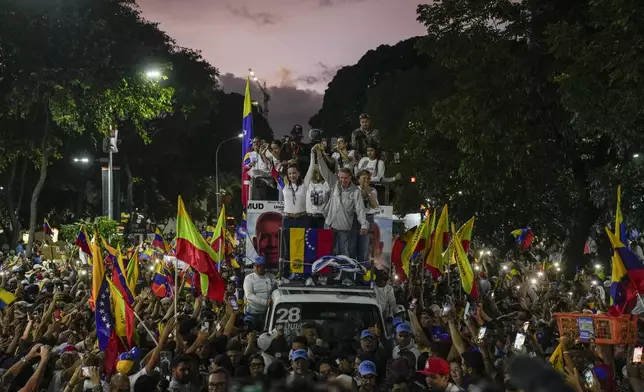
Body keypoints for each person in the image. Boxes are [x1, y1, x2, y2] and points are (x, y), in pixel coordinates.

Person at [317, 156, 368, 258]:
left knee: (343, 254)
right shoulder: (334, 184)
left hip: (344, 228)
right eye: (341, 177)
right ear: (338, 177)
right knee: (326, 252)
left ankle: (344, 274)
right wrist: (319, 156)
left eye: (345, 178)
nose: (343, 180)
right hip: (329, 225)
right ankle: (327, 274)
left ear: (350, 177)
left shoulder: (355, 191)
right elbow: (324, 171)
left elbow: (360, 209)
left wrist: (364, 225)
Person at [242, 256, 276, 328]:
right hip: (253, 312)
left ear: (264, 267)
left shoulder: (271, 277)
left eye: (259, 266)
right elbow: (249, 295)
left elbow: (275, 289)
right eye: (255, 265)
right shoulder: (249, 278)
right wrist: (265, 302)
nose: (256, 268)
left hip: (267, 312)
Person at [356, 170, 379, 265]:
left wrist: (368, 192)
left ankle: (362, 275)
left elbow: (374, 205)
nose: (366, 180)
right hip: (355, 218)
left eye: (368, 178)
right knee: (352, 246)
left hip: (368, 217)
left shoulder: (373, 190)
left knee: (364, 248)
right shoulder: (355, 189)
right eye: (364, 178)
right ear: (358, 179)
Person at [307, 147, 331, 229]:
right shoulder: (307, 184)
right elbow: (311, 167)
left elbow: (325, 170)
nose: (316, 174)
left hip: (323, 218)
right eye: (315, 172)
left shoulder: (326, 184)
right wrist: (312, 154)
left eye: (318, 172)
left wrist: (319, 155)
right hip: (310, 218)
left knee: (323, 241)